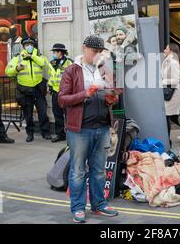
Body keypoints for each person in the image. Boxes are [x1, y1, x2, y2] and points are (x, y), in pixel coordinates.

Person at [58, 35, 119, 224]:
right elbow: (62, 99)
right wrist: (85, 93)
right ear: (84, 48)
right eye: (95, 51)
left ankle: (99, 204)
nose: (98, 55)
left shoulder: (104, 69)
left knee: (99, 170)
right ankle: (77, 208)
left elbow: (113, 94)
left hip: (101, 127)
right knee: (77, 171)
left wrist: (112, 98)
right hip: (79, 129)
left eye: (100, 52)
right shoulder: (71, 70)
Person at [5, 37, 51, 142]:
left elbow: (44, 64)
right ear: (23, 46)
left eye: (31, 44)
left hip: (38, 89)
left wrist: (33, 56)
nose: (29, 46)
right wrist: (17, 69)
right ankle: (30, 133)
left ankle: (46, 132)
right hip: (25, 90)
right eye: (27, 45)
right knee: (28, 114)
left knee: (43, 113)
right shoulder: (18, 58)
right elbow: (8, 71)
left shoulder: (39, 56)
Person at [48, 44, 73, 143]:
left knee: (69, 115)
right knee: (57, 114)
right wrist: (50, 86)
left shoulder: (69, 63)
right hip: (55, 93)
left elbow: (74, 77)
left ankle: (71, 135)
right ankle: (60, 134)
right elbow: (51, 76)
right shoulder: (52, 63)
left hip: (66, 93)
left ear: (60, 52)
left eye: (55, 52)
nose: (53, 54)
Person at [161, 44, 180, 142]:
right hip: (171, 93)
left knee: (170, 116)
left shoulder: (172, 62)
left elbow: (175, 80)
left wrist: (161, 82)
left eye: (166, 48)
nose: (164, 50)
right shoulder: (168, 62)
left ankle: (167, 140)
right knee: (171, 116)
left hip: (173, 94)